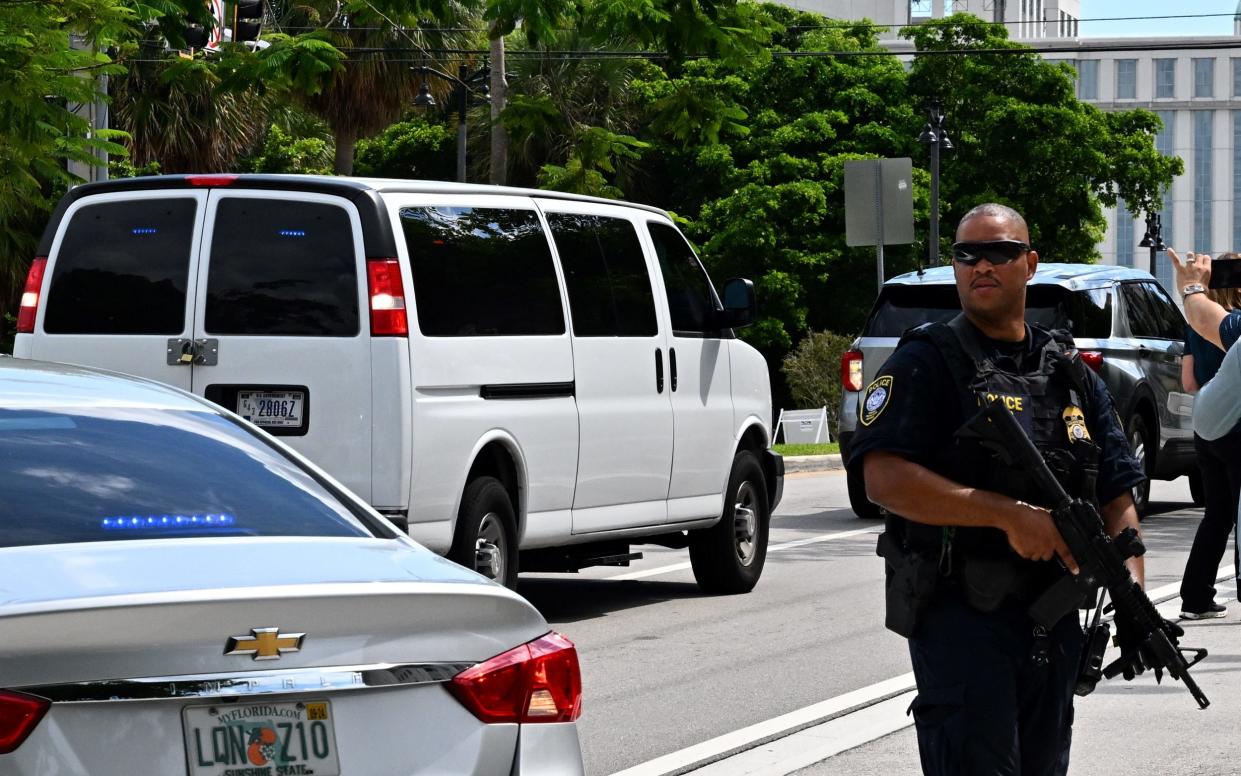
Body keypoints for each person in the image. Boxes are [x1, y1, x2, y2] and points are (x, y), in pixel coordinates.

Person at [849, 203, 1146, 776]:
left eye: (1000, 252)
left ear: (1029, 263)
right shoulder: (927, 361)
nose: (981, 265)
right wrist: (1009, 516)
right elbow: (881, 476)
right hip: (961, 617)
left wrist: (1131, 596)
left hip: (1053, 621)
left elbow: (1117, 497)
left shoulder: (1071, 372)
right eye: (967, 254)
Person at [1176, 251, 1241, 620]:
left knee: (1216, 514)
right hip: (1237, 426)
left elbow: (1188, 382)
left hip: (1204, 426)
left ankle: (1195, 597)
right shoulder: (1234, 327)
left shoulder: (1193, 326)